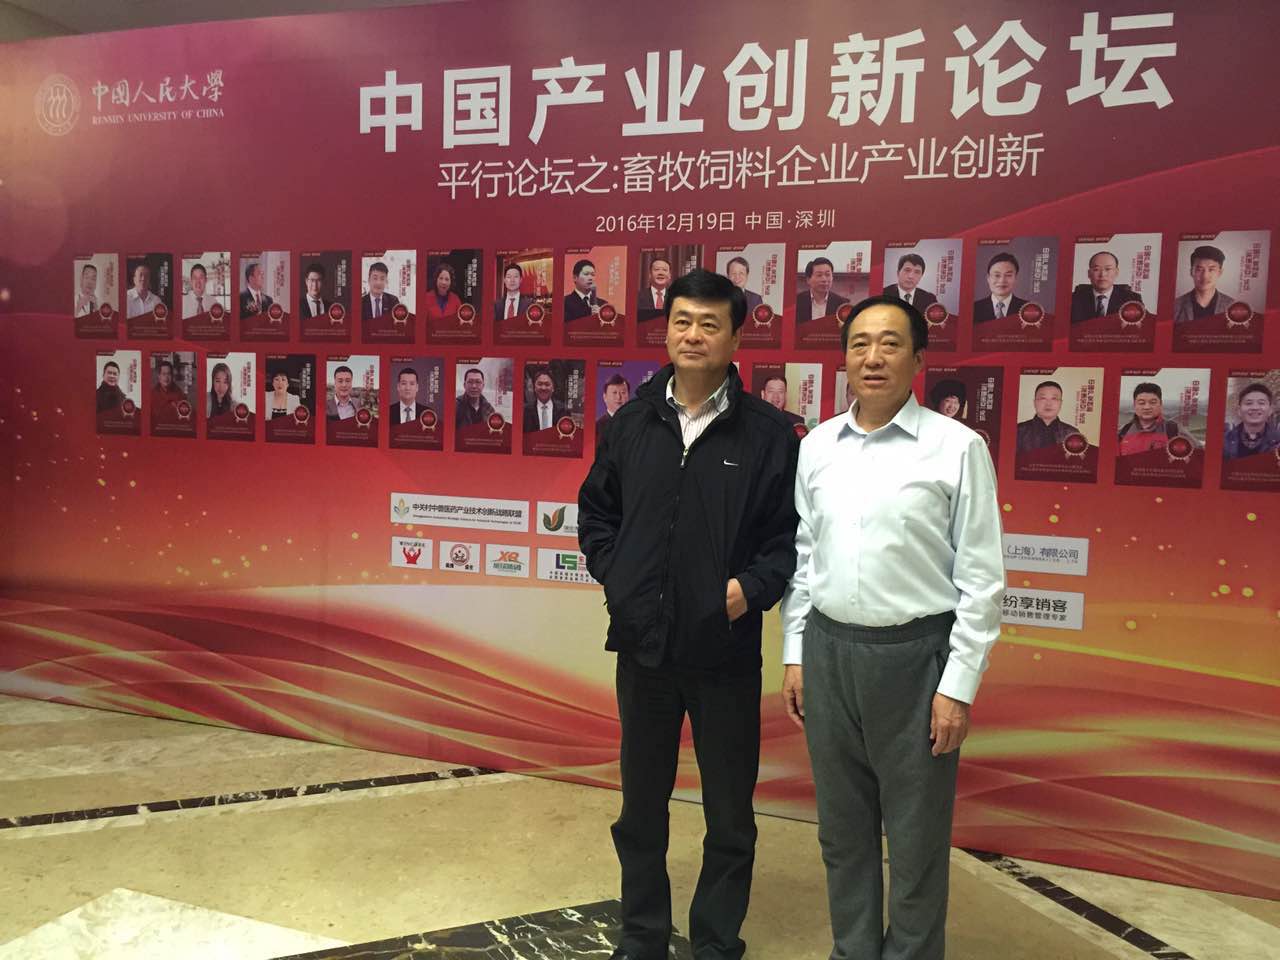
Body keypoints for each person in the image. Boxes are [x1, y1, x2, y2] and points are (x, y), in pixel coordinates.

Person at [578, 268, 800, 960]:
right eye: (682, 321)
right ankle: (642, 935)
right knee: (640, 810)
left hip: (724, 656)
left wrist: (745, 591)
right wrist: (620, 577)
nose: (693, 335)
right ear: (666, 331)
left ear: (735, 338)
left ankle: (715, 941)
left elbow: (787, 541)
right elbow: (597, 513)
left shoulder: (769, 434)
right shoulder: (632, 422)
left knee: (730, 816)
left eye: (709, 324)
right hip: (644, 649)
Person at [780, 295, 1004, 960]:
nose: (873, 357)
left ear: (918, 359)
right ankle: (852, 950)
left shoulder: (957, 448)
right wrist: (795, 653)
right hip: (828, 652)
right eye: (860, 344)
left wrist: (957, 687)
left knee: (915, 839)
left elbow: (983, 578)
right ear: (844, 359)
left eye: (890, 343)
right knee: (842, 830)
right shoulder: (817, 446)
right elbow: (805, 558)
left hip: (916, 660)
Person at [1117, 382, 1197, 456]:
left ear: (1161, 404)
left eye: (1153, 402)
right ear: (1134, 405)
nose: (1147, 407)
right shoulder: (1123, 431)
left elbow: (1199, 455)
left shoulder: (1173, 429)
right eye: (1141, 403)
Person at [1069, 250, 1143, 323]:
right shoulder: (1073, 299)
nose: (1102, 274)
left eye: (1108, 269)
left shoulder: (1132, 299)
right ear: (1089, 273)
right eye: (1096, 269)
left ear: (1116, 272)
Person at [1172, 245, 1234, 324]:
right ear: (1191, 272)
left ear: (1220, 272)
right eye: (1199, 269)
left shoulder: (1233, 306)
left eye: (1211, 269)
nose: (1205, 276)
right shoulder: (1175, 306)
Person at [1016, 380, 1082, 452]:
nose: (1048, 404)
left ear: (1061, 403)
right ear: (1034, 402)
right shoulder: (1018, 431)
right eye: (1043, 398)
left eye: (1054, 398)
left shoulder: (1071, 433)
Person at [1223, 382, 1280, 459]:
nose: (1255, 408)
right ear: (1239, 410)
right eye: (1249, 403)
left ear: (1270, 410)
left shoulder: (1278, 440)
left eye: (1261, 403)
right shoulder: (1223, 442)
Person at [973, 252, 1029, 322]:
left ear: (1015, 278)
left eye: (1008, 275)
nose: (1002, 280)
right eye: (997, 275)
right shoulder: (974, 309)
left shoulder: (1028, 309)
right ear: (988, 278)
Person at [794, 257, 850, 323]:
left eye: (827, 275)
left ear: (832, 277)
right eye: (819, 275)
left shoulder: (842, 304)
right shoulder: (796, 302)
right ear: (808, 279)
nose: (824, 279)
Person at [523, 367, 569, 433]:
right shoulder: (525, 411)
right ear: (534, 387)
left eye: (547, 384)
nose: (543, 388)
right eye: (540, 384)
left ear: (553, 388)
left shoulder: (563, 410)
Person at [595, 373, 631, 447]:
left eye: (623, 393)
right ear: (605, 397)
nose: (618, 397)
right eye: (614, 393)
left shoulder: (637, 424)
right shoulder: (596, 427)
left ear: (628, 396)